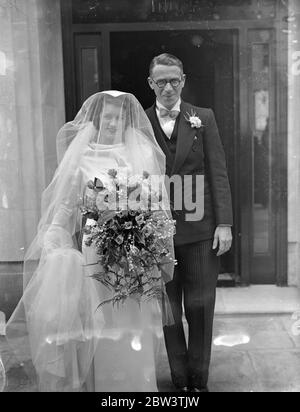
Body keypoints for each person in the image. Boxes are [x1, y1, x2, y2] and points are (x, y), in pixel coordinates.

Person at [6, 91, 175, 392]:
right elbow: (67, 205)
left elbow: (156, 202)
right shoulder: (83, 156)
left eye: (118, 117)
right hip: (96, 249)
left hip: (136, 251)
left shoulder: (143, 153)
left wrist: (153, 237)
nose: (112, 123)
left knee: (134, 321)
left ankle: (138, 387)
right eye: (107, 117)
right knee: (102, 323)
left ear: (127, 119)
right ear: (97, 120)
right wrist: (54, 232)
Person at [146, 53, 233, 392]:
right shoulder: (140, 120)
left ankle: (199, 383)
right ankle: (180, 381)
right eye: (161, 81)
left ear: (183, 81)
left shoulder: (203, 118)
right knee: (169, 313)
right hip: (157, 235)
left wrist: (223, 223)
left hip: (200, 233)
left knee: (200, 308)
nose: (168, 87)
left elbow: (219, 173)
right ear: (151, 84)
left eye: (174, 80)